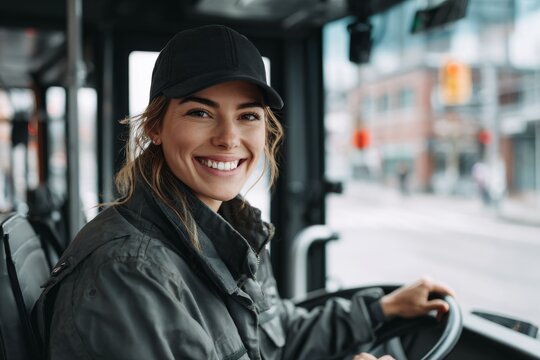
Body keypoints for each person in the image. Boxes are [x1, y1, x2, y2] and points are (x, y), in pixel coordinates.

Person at [36, 25, 454, 360]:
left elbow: (272, 336)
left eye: (248, 115)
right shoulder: (129, 271)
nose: (228, 138)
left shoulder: (225, 229)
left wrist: (380, 310)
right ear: (155, 129)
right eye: (200, 112)